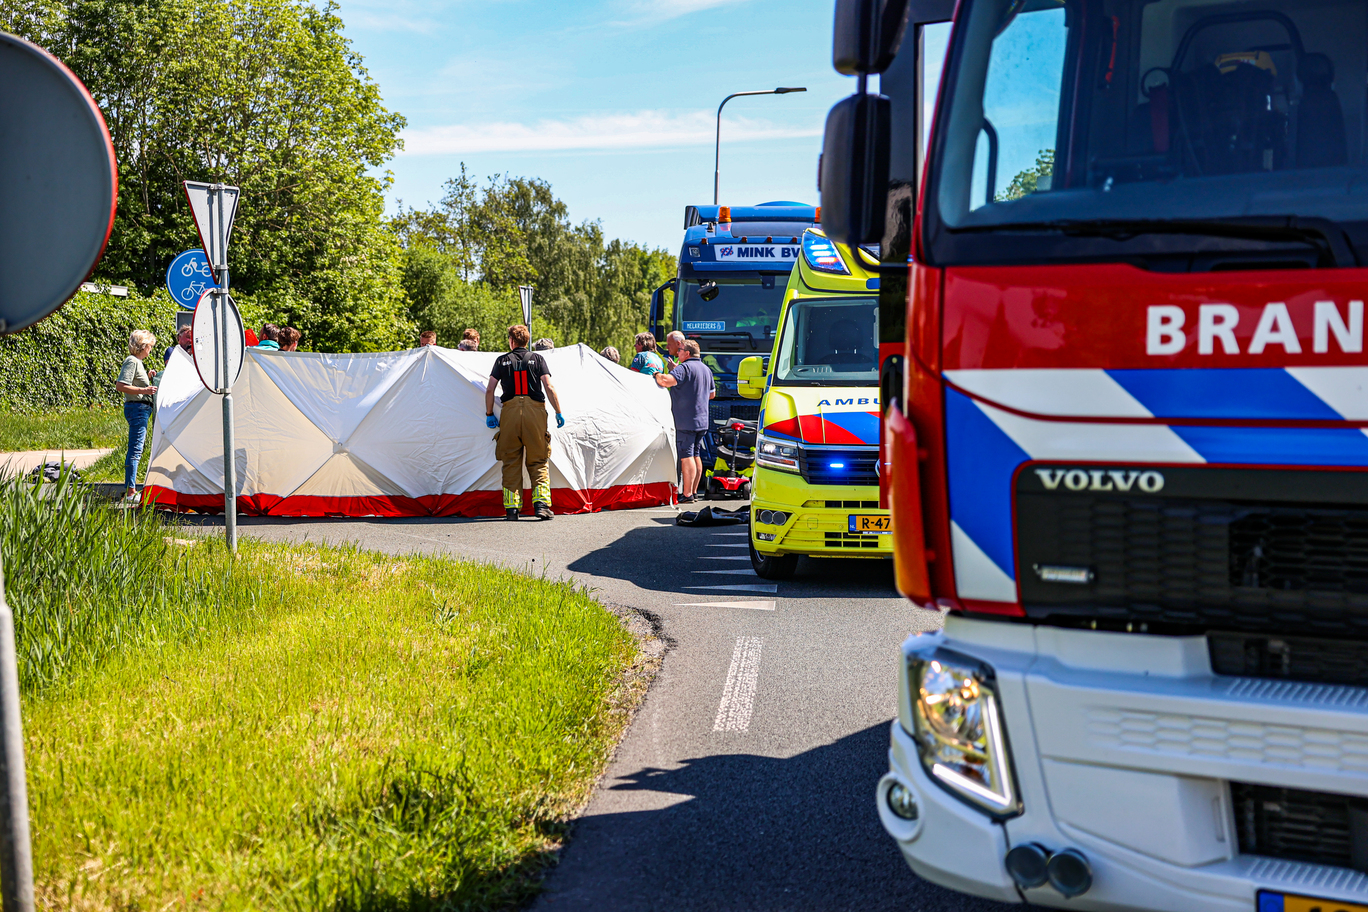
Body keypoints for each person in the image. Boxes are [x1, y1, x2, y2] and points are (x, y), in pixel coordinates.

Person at [485, 324, 565, 521]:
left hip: (510, 413)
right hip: (535, 413)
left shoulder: (501, 361)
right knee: (538, 459)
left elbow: (490, 389)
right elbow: (548, 386)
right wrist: (558, 411)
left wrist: (489, 413)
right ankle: (542, 506)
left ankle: (512, 509)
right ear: (527, 341)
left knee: (511, 461)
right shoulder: (538, 359)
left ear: (512, 341)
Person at [655, 339, 715, 504]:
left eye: (680, 350)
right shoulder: (705, 369)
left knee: (686, 456)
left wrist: (656, 374)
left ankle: (686, 494)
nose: (677, 353)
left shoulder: (685, 368)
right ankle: (694, 492)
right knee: (696, 454)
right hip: (702, 420)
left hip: (686, 420)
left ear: (687, 353)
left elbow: (665, 381)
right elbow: (711, 394)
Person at [116, 330, 158, 505]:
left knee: (136, 450)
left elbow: (134, 383)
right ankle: (130, 492)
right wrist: (145, 390)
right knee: (135, 450)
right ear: (143, 346)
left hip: (140, 408)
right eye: (150, 346)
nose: (151, 349)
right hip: (137, 408)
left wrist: (147, 378)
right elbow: (121, 385)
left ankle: (130, 489)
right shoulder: (132, 361)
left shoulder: (138, 362)